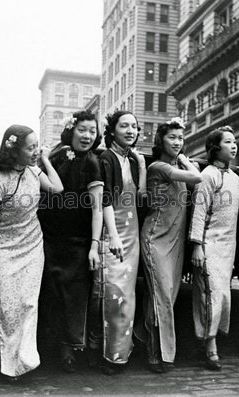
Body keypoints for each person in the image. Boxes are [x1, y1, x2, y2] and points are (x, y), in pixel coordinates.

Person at [0, 125, 63, 383]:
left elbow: (58, 188)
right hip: (4, 248)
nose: (36, 150)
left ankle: (18, 364)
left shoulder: (34, 171)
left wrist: (46, 160)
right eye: (30, 147)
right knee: (5, 308)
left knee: (27, 306)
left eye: (37, 145)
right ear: (14, 149)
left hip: (32, 247)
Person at [37, 110, 104, 373]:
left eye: (92, 131)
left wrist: (94, 245)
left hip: (78, 240)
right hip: (49, 237)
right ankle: (50, 347)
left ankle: (71, 349)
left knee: (74, 297)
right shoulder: (56, 155)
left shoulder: (93, 163)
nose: (87, 135)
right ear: (71, 130)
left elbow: (98, 208)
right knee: (51, 293)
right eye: (82, 129)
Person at [189, 126, 239, 370]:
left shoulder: (233, 177)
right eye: (228, 141)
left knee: (222, 296)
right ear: (215, 147)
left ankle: (207, 341)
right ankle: (209, 347)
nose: (234, 145)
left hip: (227, 248)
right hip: (208, 245)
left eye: (235, 141)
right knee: (211, 296)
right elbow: (198, 212)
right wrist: (197, 246)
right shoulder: (208, 176)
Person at [138, 117, 201, 373]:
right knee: (161, 297)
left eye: (181, 138)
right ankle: (159, 353)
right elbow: (196, 178)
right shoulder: (159, 167)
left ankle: (145, 339)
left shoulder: (177, 168)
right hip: (155, 238)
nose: (177, 142)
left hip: (176, 242)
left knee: (164, 297)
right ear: (160, 140)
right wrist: (187, 160)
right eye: (172, 138)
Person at [88, 110, 146, 375]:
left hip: (132, 232)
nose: (131, 131)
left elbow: (141, 195)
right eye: (124, 126)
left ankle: (121, 351)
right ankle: (109, 354)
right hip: (115, 232)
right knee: (112, 294)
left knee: (127, 294)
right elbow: (106, 200)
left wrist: (142, 165)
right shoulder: (107, 158)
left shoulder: (131, 160)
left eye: (134, 126)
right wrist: (111, 236)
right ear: (112, 130)